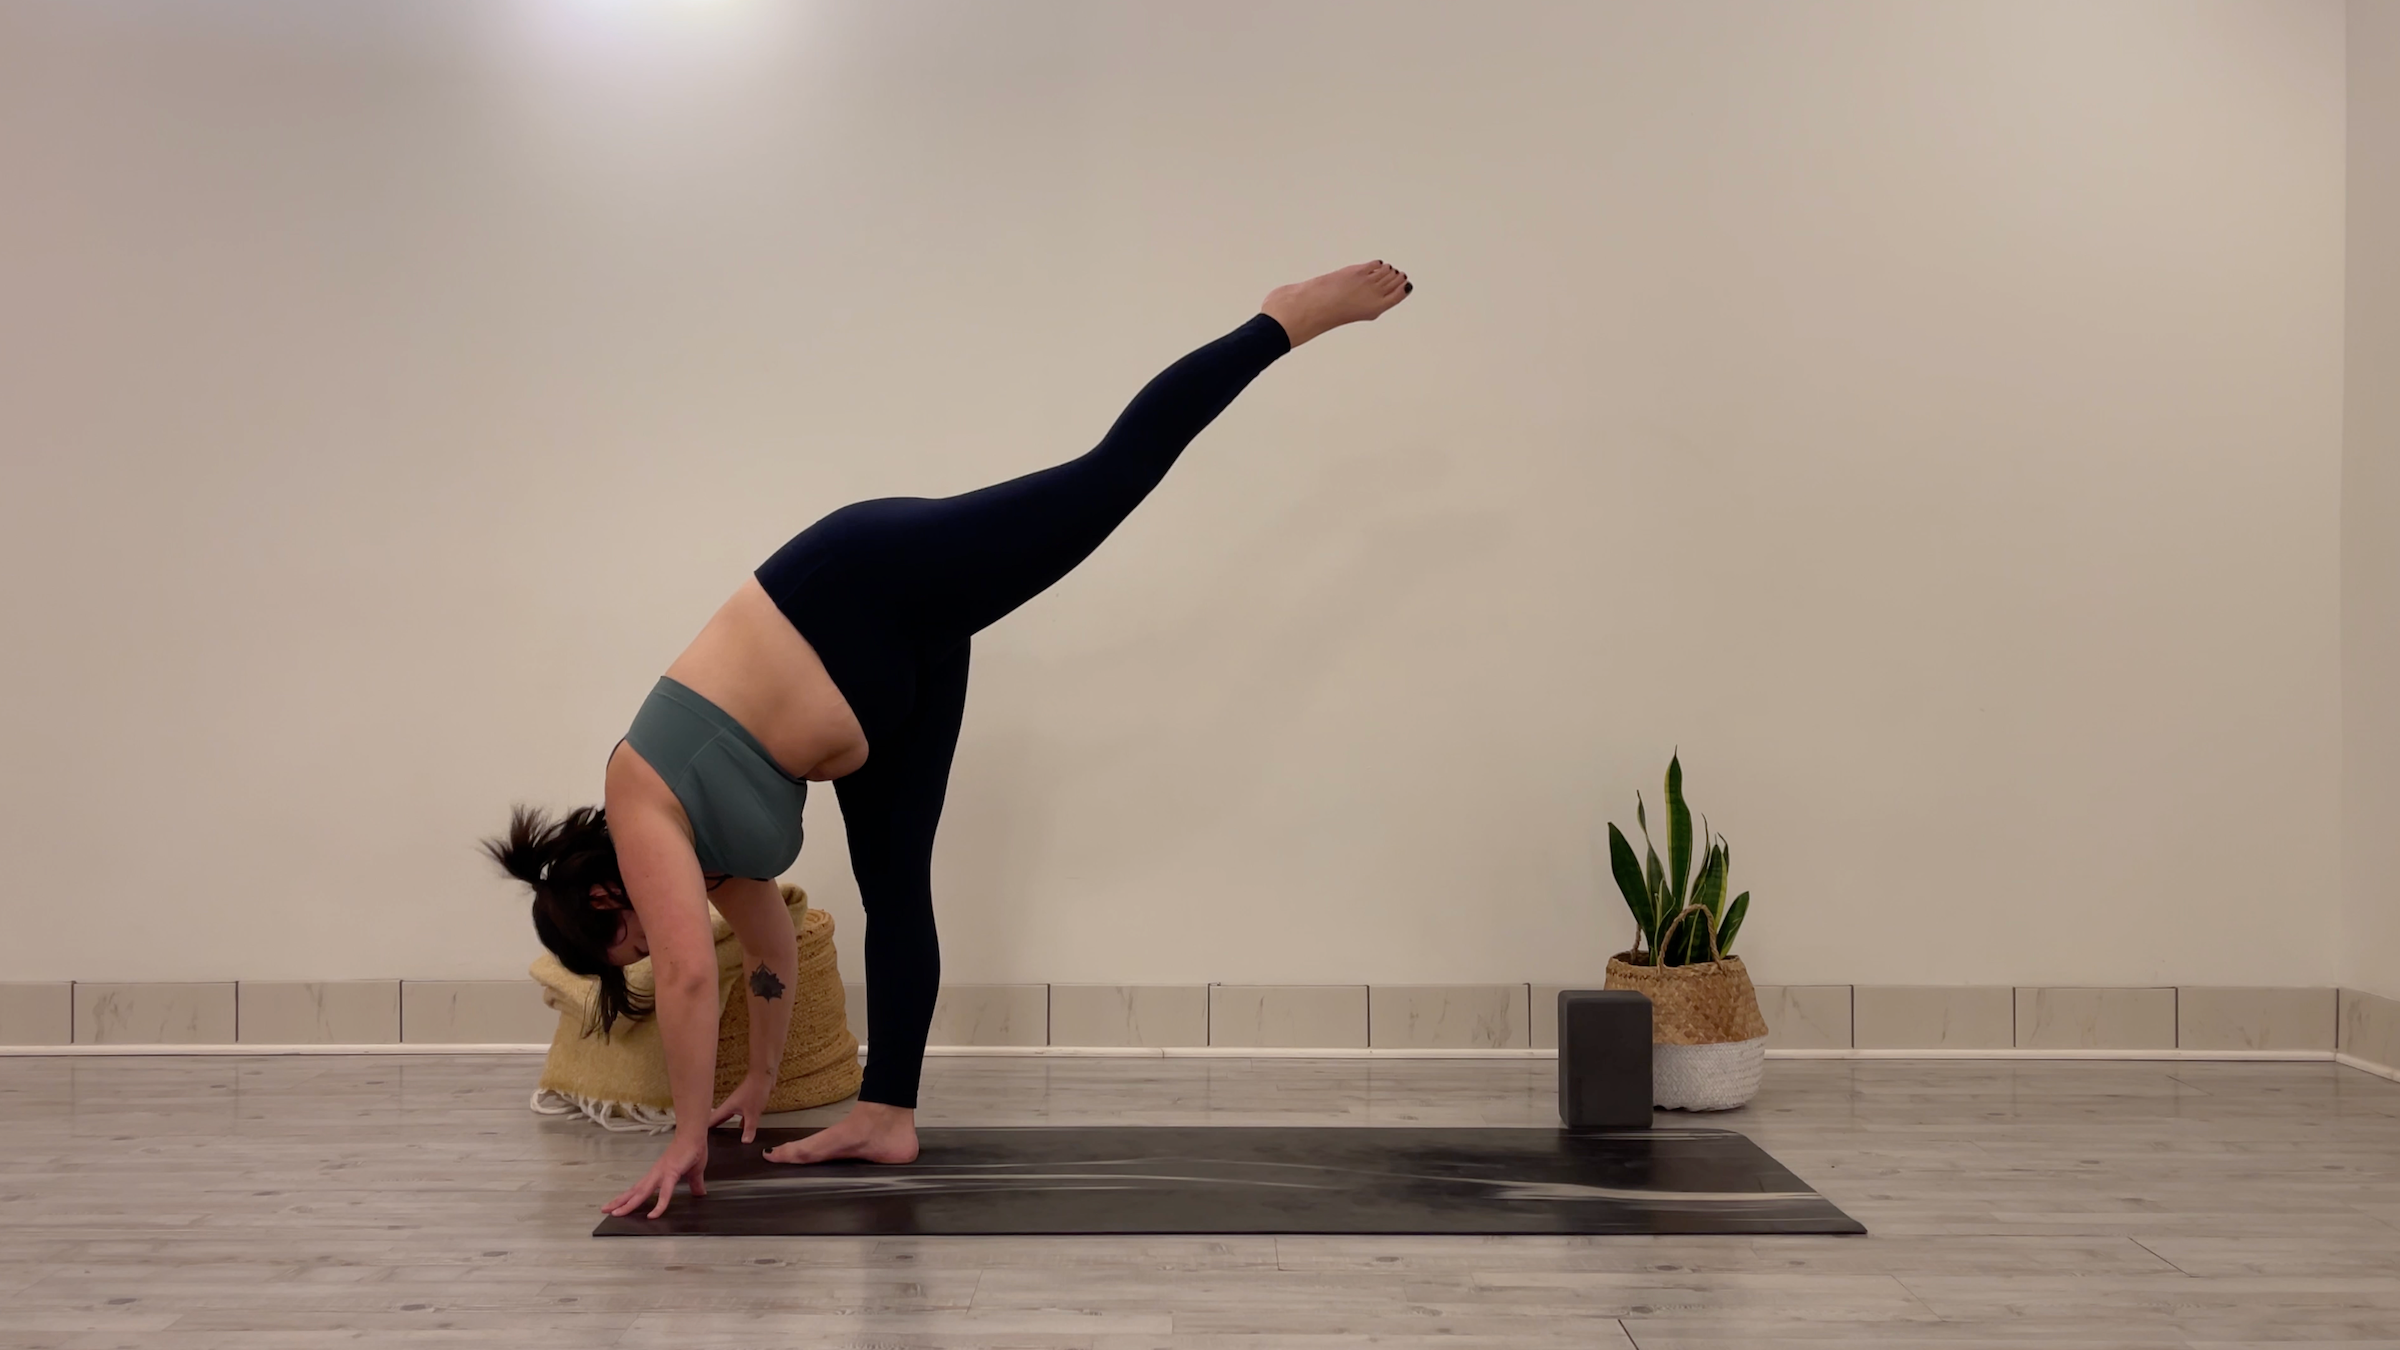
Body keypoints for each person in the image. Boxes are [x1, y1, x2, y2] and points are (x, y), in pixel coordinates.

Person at [485, 260, 1414, 1218]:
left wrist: (686, 1140)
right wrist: (760, 1081)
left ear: (606, 896)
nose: (650, 948)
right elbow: (771, 959)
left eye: (623, 942)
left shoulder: (640, 796)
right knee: (898, 899)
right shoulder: (714, 862)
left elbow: (686, 975)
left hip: (860, 590)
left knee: (1105, 480)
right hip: (881, 701)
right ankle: (886, 1115)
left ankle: (1278, 322)